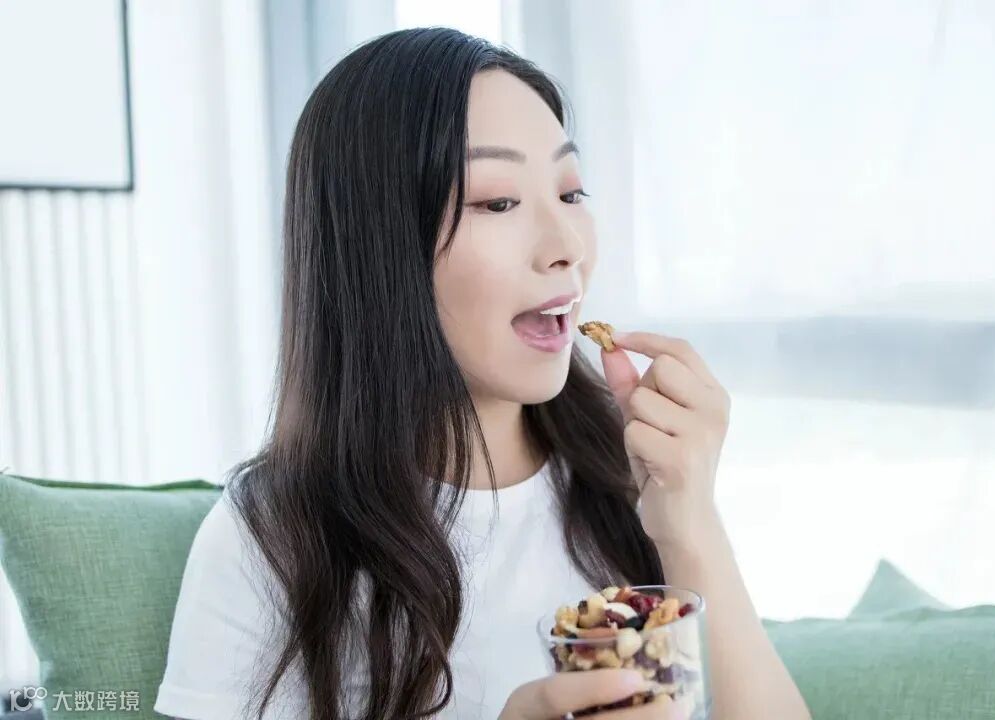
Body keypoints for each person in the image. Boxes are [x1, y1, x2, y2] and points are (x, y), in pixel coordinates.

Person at [153, 27, 810, 720]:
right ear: (379, 247)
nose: (567, 247)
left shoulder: (627, 477)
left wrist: (689, 522)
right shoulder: (273, 538)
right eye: (498, 202)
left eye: (571, 192)